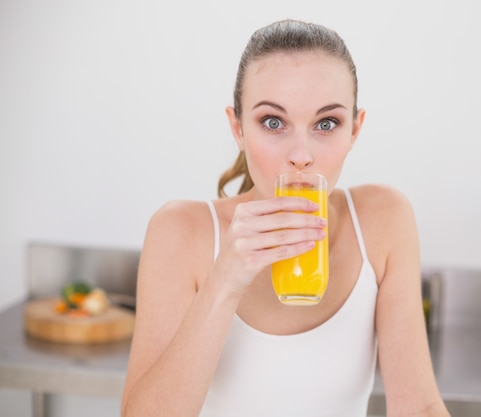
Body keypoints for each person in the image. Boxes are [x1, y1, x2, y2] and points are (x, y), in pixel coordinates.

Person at [121, 19, 450, 417]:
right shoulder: (180, 232)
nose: (301, 154)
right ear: (238, 128)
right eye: (273, 122)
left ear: (355, 131)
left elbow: (419, 408)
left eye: (326, 124)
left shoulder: (384, 221)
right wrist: (225, 279)